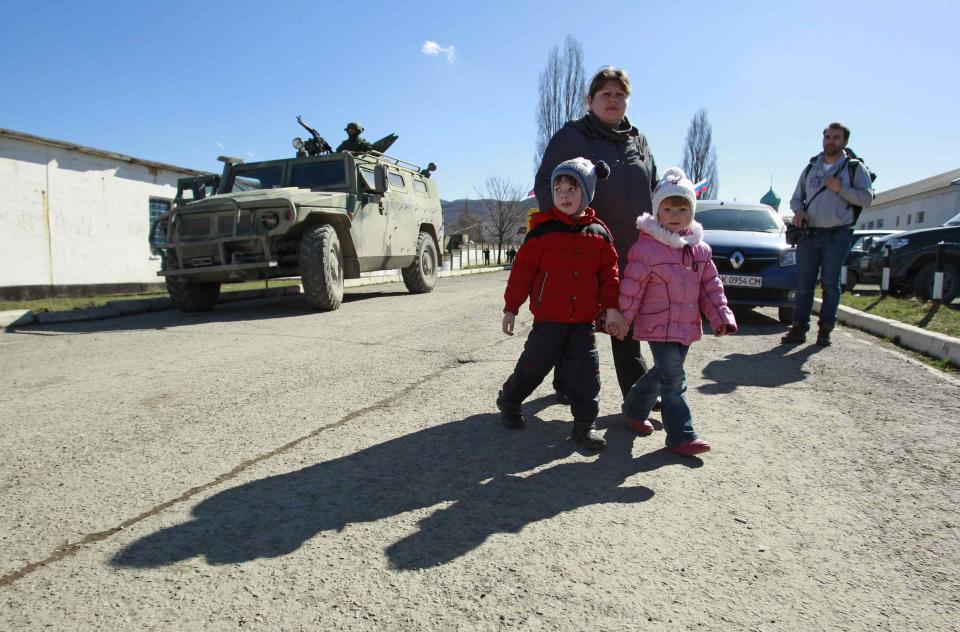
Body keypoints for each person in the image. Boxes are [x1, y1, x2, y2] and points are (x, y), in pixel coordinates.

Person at [534, 66, 657, 403]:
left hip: (631, 248)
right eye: (606, 94)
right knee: (575, 319)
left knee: (625, 318)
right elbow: (546, 182)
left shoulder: (639, 140)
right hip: (583, 244)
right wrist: (563, 226)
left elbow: (653, 186)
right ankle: (565, 382)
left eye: (620, 95)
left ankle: (637, 392)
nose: (613, 100)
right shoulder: (572, 136)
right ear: (590, 101)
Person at [497, 158, 629, 450]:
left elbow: (610, 276)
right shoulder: (542, 232)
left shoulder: (599, 234)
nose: (565, 194)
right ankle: (509, 400)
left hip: (582, 322)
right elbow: (521, 273)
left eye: (572, 188)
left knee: (586, 375)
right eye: (559, 188)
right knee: (533, 366)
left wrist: (611, 308)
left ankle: (585, 426)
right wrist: (511, 308)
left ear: (587, 192)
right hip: (548, 319)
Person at [618, 167, 737, 456]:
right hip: (658, 327)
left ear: (692, 212)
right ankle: (681, 435)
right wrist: (623, 318)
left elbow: (711, 287)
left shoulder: (700, 251)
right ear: (657, 212)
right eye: (667, 207)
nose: (674, 213)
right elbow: (632, 287)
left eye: (682, 207)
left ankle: (633, 408)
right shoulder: (646, 249)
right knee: (674, 379)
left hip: (685, 326)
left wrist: (720, 316)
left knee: (661, 373)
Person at [783, 122, 874, 346]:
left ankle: (825, 330)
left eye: (835, 137)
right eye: (827, 137)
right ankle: (799, 328)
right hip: (809, 234)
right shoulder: (811, 168)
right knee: (804, 284)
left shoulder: (853, 168)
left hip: (837, 234)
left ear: (844, 142)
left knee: (830, 284)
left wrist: (840, 188)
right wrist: (799, 211)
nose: (830, 141)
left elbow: (866, 198)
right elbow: (796, 197)